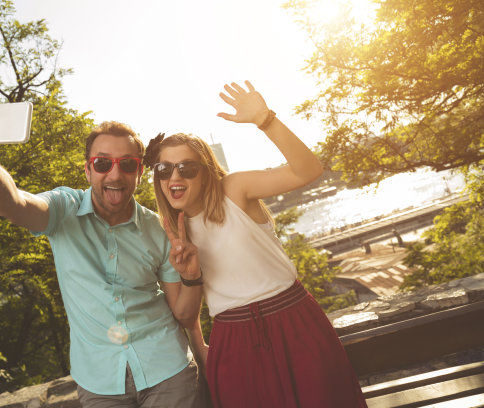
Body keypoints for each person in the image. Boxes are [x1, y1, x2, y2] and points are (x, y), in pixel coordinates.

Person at [0, 103, 207, 408]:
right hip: (100, 383)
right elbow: (15, 204)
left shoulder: (159, 229)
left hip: (168, 370)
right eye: (103, 163)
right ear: (87, 169)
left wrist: (191, 276)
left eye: (128, 164)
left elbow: (185, 315)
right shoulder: (63, 208)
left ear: (140, 171)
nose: (116, 174)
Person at [144, 81, 367, 407]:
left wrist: (266, 120)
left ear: (205, 172)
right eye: (164, 169)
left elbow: (309, 170)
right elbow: (185, 312)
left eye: (187, 168)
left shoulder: (234, 190)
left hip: (293, 321)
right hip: (232, 341)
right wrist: (200, 344)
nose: (174, 177)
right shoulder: (168, 233)